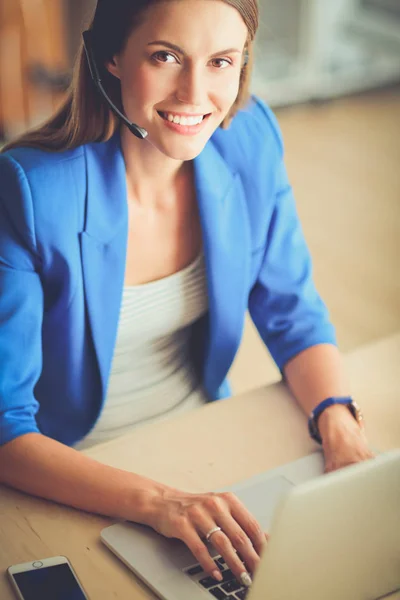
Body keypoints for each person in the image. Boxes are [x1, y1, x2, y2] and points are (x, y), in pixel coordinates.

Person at [0, 0, 374, 588]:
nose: (195, 93)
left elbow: (293, 315)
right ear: (113, 56)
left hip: (199, 445)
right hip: (73, 475)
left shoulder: (250, 141)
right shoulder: (31, 191)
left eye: (222, 61)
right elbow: (5, 428)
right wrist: (158, 504)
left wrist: (339, 426)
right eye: (165, 56)